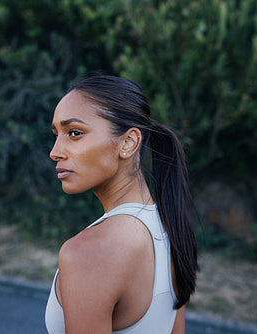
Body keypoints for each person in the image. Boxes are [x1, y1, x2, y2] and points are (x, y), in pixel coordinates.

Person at [45, 75, 198, 334]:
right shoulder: (168, 228)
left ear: (128, 142)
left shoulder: (89, 253)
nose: (55, 151)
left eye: (74, 133)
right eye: (57, 134)